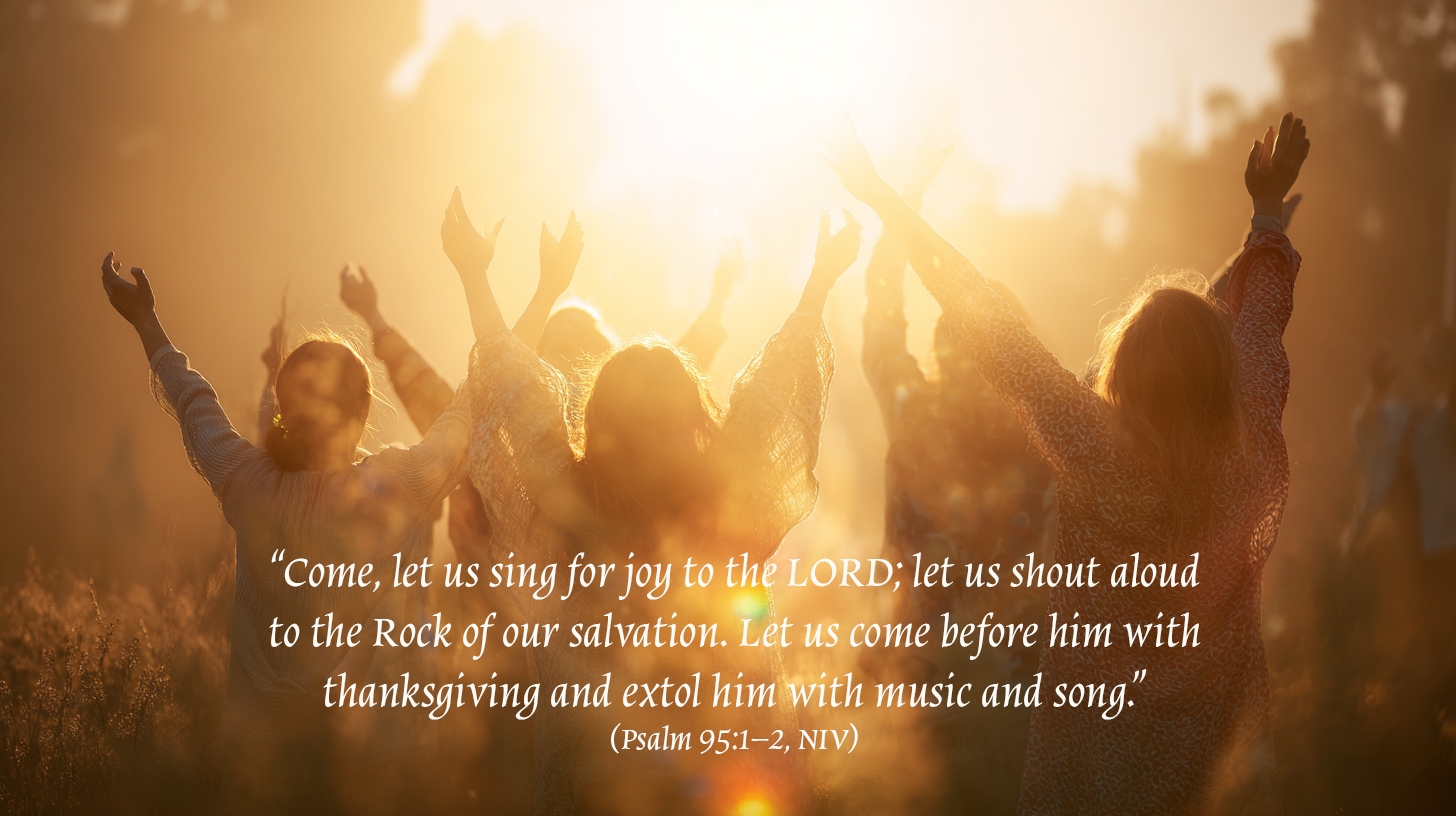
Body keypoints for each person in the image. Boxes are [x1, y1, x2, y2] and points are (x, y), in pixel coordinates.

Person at [818, 112, 1309, 814]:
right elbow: (1261, 317)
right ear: (1221, 375)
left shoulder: (1089, 442)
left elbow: (982, 311)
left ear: (1125, 367)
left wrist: (885, 196)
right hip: (1211, 762)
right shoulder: (1250, 427)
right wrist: (1266, 219)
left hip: (1089, 760)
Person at [443, 186, 859, 815]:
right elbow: (776, 388)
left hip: (594, 751)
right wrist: (820, 281)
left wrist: (475, 275)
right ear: (690, 412)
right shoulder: (726, 486)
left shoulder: (568, 490)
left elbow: (511, 384)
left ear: (600, 413)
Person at [98, 246, 477, 811]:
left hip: (256, 774)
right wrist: (490, 291)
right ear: (362, 413)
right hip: (357, 774)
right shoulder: (391, 486)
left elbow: (193, 402)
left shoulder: (247, 481)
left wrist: (146, 322)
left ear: (278, 411)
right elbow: (462, 418)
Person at [860, 144, 1054, 814]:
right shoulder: (1052, 437)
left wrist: (898, 211)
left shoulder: (917, 412)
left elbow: (882, 315)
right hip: (1029, 697)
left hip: (930, 688)